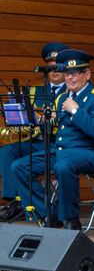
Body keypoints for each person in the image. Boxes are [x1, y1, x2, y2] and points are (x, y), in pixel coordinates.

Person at [12, 49, 94, 229]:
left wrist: (76, 111)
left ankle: (71, 220)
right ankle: (48, 215)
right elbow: (57, 129)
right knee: (20, 166)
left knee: (63, 165)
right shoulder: (62, 98)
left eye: (74, 74)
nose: (69, 78)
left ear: (87, 74)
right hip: (61, 152)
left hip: (88, 154)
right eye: (67, 74)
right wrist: (45, 123)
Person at [0, 42, 68, 222]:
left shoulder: (72, 92)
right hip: (38, 142)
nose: (53, 71)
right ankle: (17, 201)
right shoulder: (33, 91)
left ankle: (41, 208)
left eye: (58, 67)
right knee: (8, 151)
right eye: (50, 67)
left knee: (22, 163)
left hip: (57, 144)